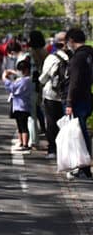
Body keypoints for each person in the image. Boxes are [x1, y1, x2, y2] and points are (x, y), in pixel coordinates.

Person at [64, 27, 93, 179]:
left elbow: (73, 82)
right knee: (82, 133)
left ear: (71, 41)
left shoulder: (78, 58)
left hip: (77, 100)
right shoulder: (89, 54)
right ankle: (85, 165)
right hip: (87, 97)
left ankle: (82, 166)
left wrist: (69, 102)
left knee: (78, 134)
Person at [39, 31, 70, 160]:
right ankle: (65, 150)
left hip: (51, 94)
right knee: (65, 123)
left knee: (51, 123)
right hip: (66, 95)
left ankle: (52, 149)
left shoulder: (51, 58)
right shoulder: (71, 57)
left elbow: (43, 78)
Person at [3, 59, 33, 153]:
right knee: (19, 125)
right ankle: (21, 142)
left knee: (23, 126)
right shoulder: (25, 79)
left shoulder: (25, 81)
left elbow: (13, 88)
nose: (21, 72)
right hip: (18, 105)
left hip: (22, 105)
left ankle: (25, 144)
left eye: (22, 70)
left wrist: (5, 79)